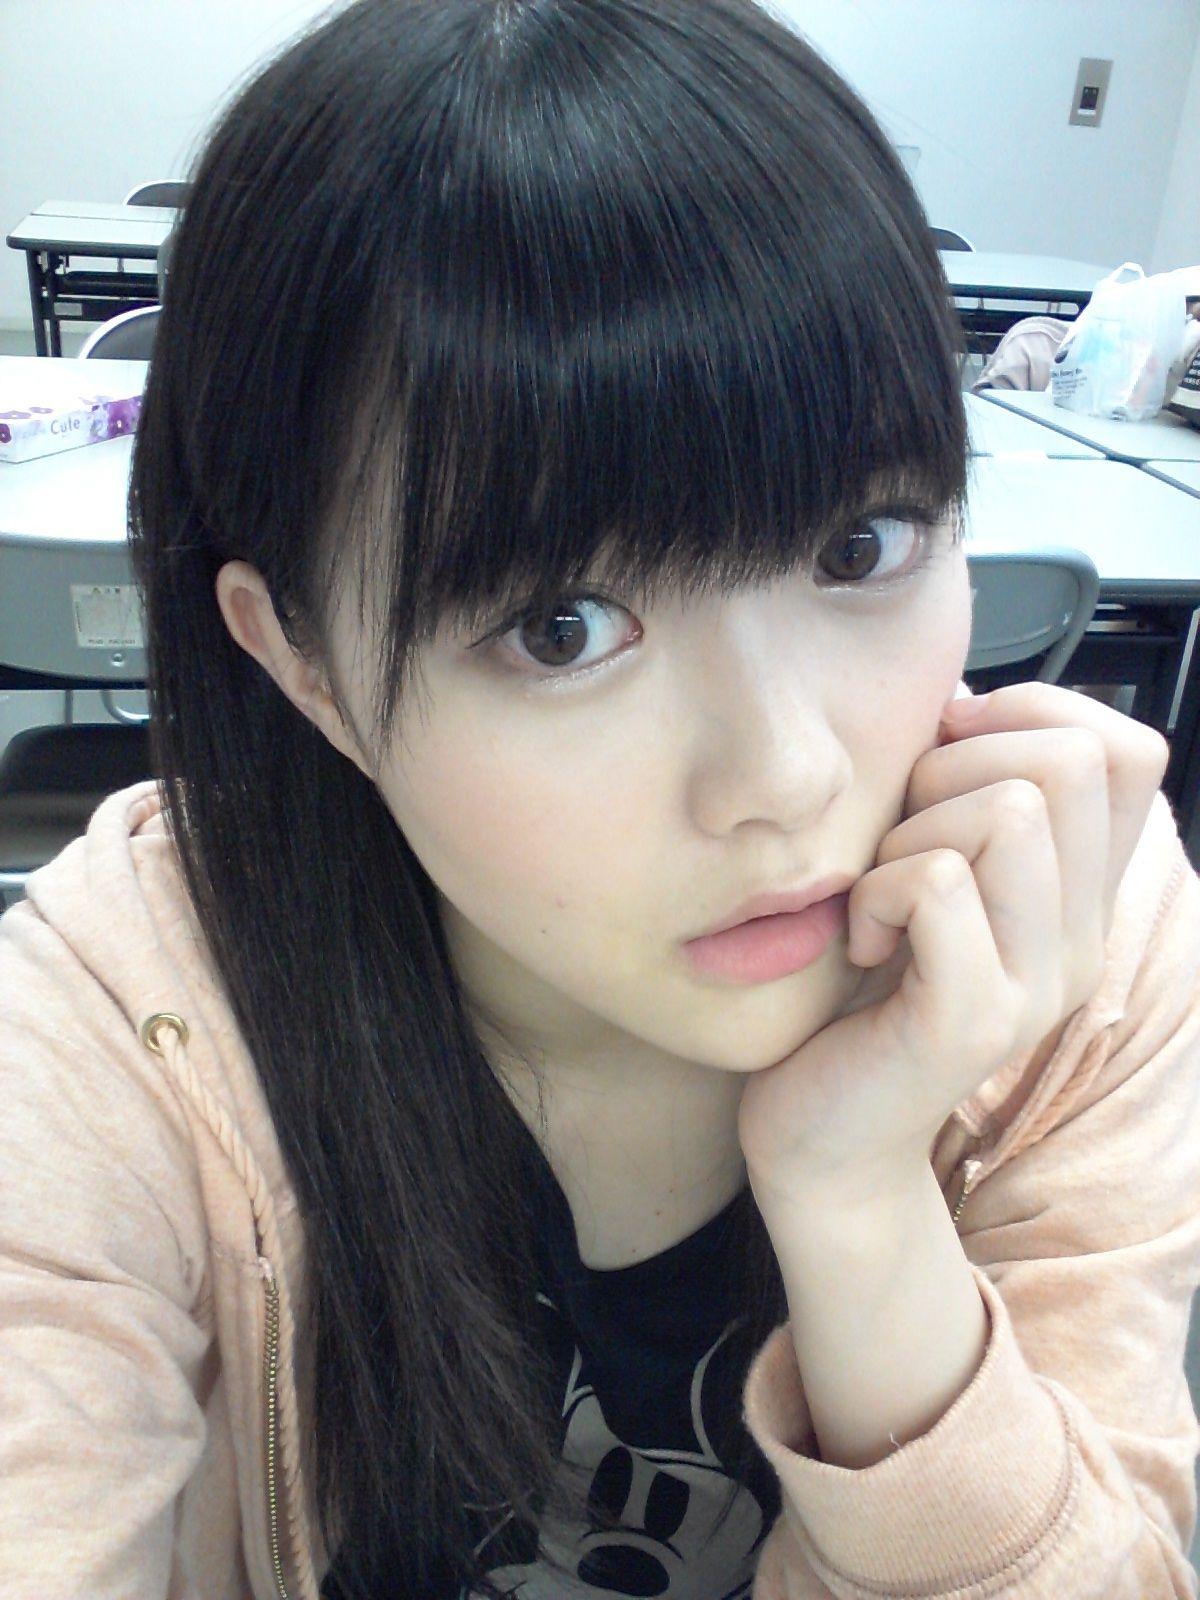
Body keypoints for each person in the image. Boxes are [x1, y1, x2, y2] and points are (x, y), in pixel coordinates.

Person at [2, 1, 1199, 1596]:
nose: (789, 773)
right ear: (305, 666)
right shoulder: (131, 1010)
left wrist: (862, 1205)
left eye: (860, 547)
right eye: (562, 629)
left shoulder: (1074, 929)